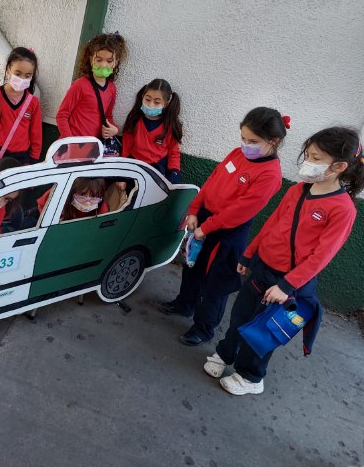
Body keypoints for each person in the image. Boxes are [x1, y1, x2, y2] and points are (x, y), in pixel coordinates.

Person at [204, 127, 363, 395]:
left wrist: (286, 286)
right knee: (241, 315)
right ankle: (225, 353)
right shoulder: (298, 190)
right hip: (261, 268)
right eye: (308, 155)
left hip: (286, 282)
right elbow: (272, 223)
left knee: (264, 330)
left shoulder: (343, 209)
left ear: (339, 167)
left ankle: (251, 377)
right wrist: (249, 253)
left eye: (316, 158)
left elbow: (321, 256)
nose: (308, 162)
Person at [160, 108, 290, 347]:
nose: (245, 145)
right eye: (243, 138)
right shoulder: (237, 154)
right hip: (204, 219)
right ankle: (184, 304)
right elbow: (212, 181)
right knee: (192, 267)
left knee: (216, 284)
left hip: (228, 232)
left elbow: (240, 210)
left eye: (253, 141)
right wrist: (194, 209)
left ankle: (204, 328)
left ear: (273, 141)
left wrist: (206, 228)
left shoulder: (271, 174)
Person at [55, 32, 128, 157]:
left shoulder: (111, 88)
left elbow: (108, 116)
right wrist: (70, 142)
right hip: (71, 147)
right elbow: (62, 116)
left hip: (93, 149)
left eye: (109, 61)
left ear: (115, 62)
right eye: (99, 60)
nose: (103, 65)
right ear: (91, 59)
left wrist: (114, 129)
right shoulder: (80, 85)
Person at [0, 47, 42, 164]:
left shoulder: (33, 103)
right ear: (8, 69)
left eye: (27, 76)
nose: (22, 79)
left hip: (20, 159)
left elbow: (36, 136)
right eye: (18, 74)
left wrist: (33, 161)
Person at [122, 79, 183, 183]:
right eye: (147, 99)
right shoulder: (134, 121)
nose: (150, 104)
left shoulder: (169, 126)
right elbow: (126, 149)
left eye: (157, 102)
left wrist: (174, 172)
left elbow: (174, 151)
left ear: (166, 103)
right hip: (134, 168)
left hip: (157, 171)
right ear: (143, 97)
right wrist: (122, 175)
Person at [37, 178, 108, 221]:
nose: (87, 203)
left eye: (94, 198)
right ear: (71, 192)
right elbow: (42, 205)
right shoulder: (57, 195)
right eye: (81, 197)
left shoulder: (102, 208)